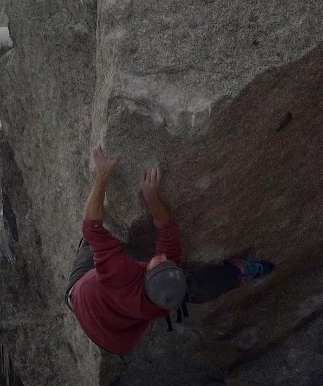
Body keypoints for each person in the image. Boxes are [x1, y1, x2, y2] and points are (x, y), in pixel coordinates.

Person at [66, 148, 273, 355]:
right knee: (188, 288)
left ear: (146, 273)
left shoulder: (121, 273)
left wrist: (102, 175)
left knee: (94, 239)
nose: (164, 256)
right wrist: (152, 197)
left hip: (94, 316)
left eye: (161, 262)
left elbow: (92, 227)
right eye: (167, 262)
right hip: (114, 336)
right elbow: (168, 231)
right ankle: (234, 271)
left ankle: (232, 272)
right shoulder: (164, 297)